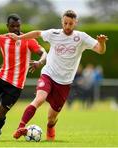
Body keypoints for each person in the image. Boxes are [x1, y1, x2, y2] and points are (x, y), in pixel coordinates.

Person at [8, 10, 108, 141]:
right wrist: (19, 37)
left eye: (70, 24)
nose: (67, 26)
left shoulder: (81, 37)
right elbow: (37, 33)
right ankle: (20, 127)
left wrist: (101, 42)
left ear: (75, 23)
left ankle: (50, 127)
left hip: (64, 82)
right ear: (62, 21)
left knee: (52, 117)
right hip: (48, 74)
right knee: (39, 99)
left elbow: (101, 51)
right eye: (65, 23)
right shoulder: (54, 33)